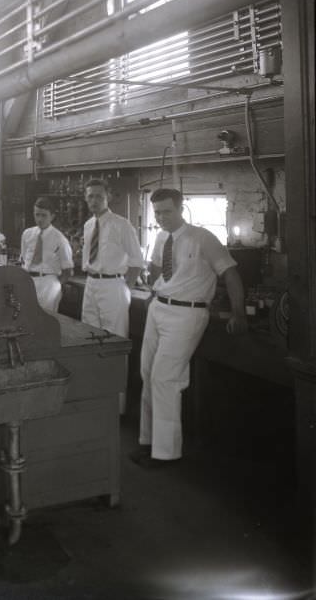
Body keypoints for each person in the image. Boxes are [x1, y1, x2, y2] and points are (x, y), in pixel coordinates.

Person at [133, 188, 247, 468]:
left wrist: (239, 313)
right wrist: (152, 295)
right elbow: (158, 270)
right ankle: (148, 442)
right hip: (158, 308)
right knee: (147, 374)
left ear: (181, 209)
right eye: (157, 212)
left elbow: (231, 274)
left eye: (167, 212)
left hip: (186, 314)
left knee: (165, 379)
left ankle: (166, 452)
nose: (161, 218)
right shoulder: (161, 237)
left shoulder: (203, 238)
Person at [81, 178, 144, 338]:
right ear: (85, 198)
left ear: (108, 197)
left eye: (99, 196)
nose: (94, 200)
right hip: (90, 283)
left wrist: (124, 288)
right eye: (90, 196)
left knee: (114, 336)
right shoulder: (88, 225)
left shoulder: (122, 225)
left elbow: (136, 261)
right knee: (89, 332)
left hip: (113, 285)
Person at [20, 196, 73, 314]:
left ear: (52, 216)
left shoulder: (60, 239)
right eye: (37, 214)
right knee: (25, 317)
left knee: (45, 319)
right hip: (28, 281)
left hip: (48, 283)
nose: (40, 219)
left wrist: (55, 285)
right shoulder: (27, 234)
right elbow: (23, 259)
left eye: (44, 215)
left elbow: (67, 270)